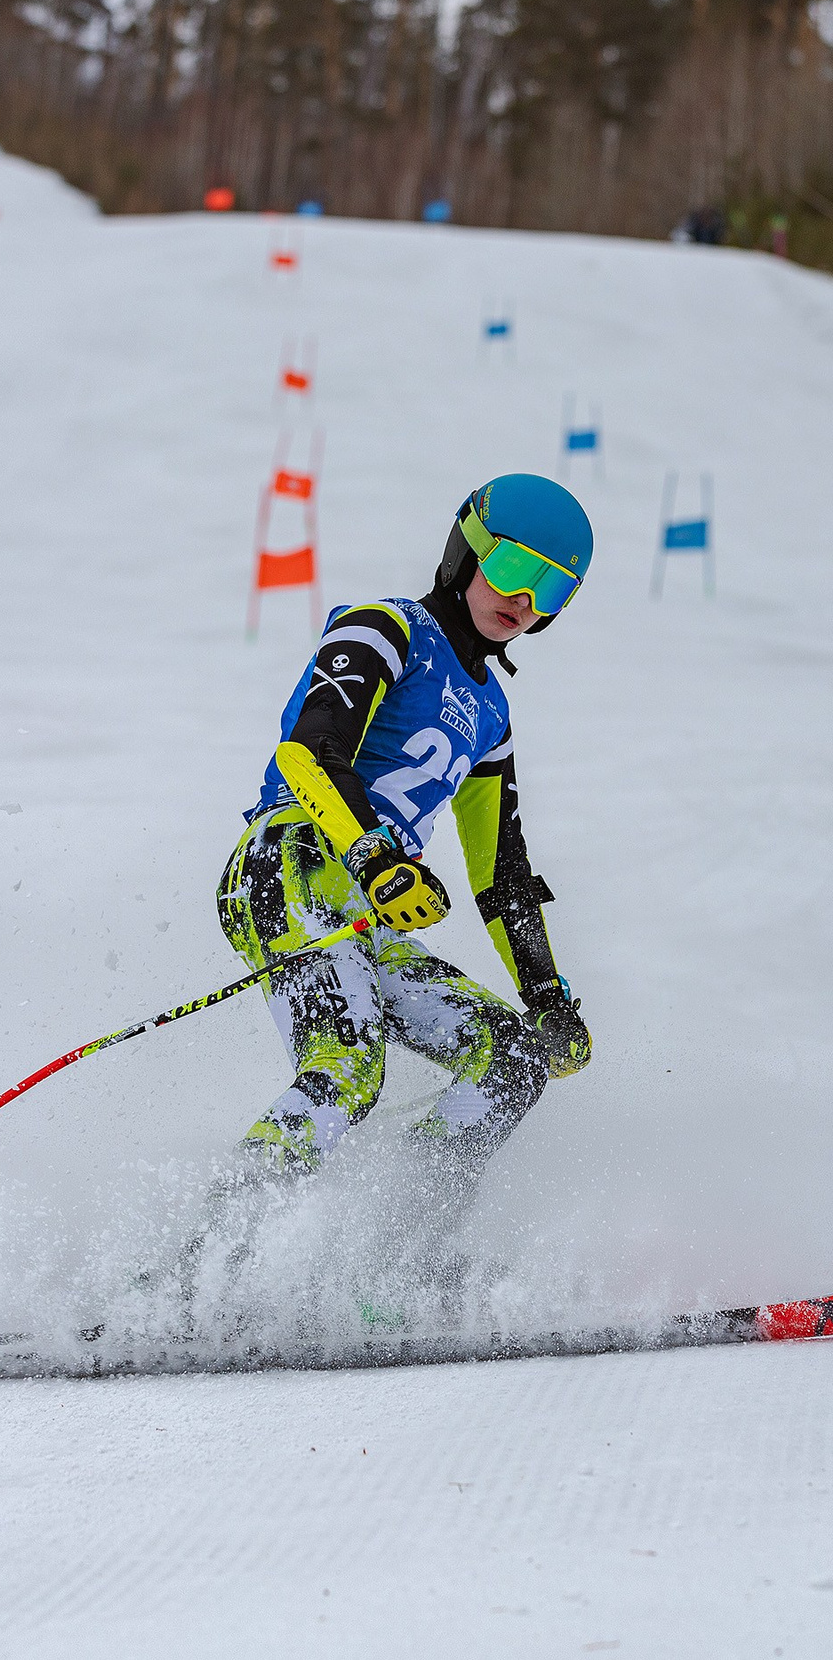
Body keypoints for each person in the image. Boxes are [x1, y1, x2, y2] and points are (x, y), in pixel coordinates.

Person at [216, 474, 596, 1198]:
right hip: (289, 862)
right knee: (348, 1065)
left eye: (551, 588)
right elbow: (310, 750)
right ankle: (201, 1258)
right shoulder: (384, 627)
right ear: (466, 552)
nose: (524, 599)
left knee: (510, 1057)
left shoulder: (491, 713)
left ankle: (395, 1262)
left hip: (363, 906)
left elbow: (501, 873)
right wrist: (374, 854)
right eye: (514, 567)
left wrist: (547, 994)